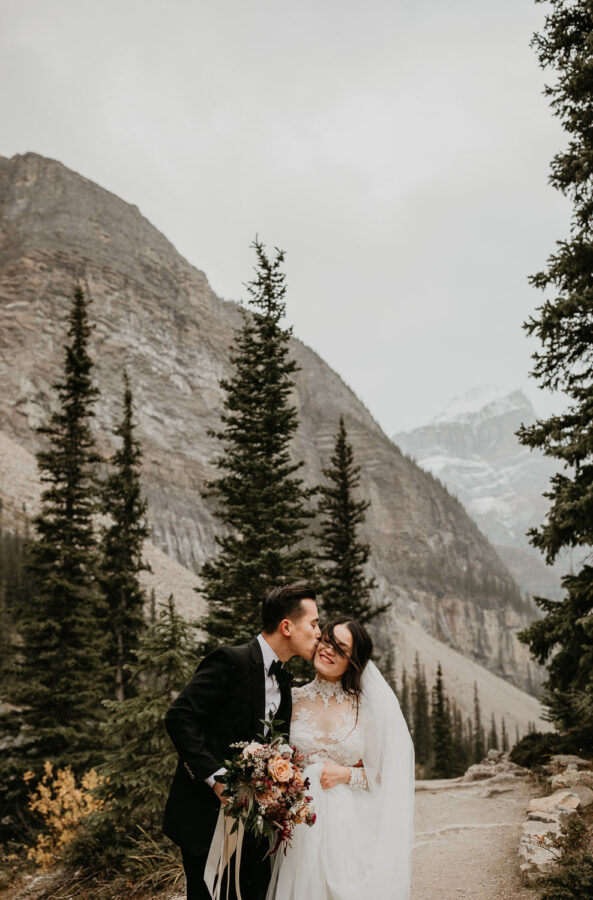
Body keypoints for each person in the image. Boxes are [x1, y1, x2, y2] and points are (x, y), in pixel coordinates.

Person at [163, 582, 321, 900]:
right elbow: (179, 717)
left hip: (255, 832)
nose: (319, 632)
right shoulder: (229, 661)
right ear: (287, 626)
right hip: (205, 822)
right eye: (314, 624)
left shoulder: (284, 682)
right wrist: (216, 778)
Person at [267, 616, 415, 900]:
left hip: (352, 827)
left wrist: (346, 774)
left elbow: (387, 772)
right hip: (299, 825)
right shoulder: (291, 698)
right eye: (327, 640)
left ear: (353, 660)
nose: (329, 649)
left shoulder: (366, 707)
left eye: (341, 648)